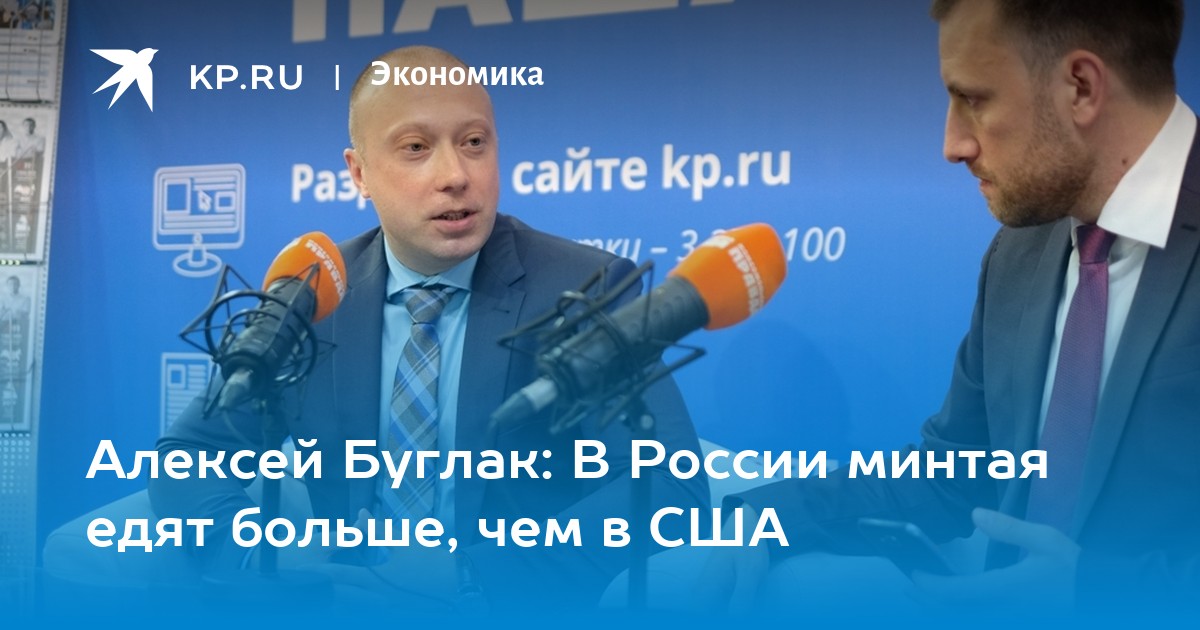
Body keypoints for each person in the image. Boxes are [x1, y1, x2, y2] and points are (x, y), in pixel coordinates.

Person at [150, 46, 706, 612]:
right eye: (416, 148)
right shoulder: (314, 293)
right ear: (360, 173)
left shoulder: (583, 289)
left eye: (474, 143)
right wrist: (270, 556)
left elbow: (672, 487)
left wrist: (469, 574)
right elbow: (189, 455)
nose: (455, 176)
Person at [701, 0, 1198, 616]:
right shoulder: (1019, 251)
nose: (952, 144)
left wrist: (1095, 589)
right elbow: (954, 475)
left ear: (1080, 86)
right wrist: (766, 518)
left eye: (974, 99)